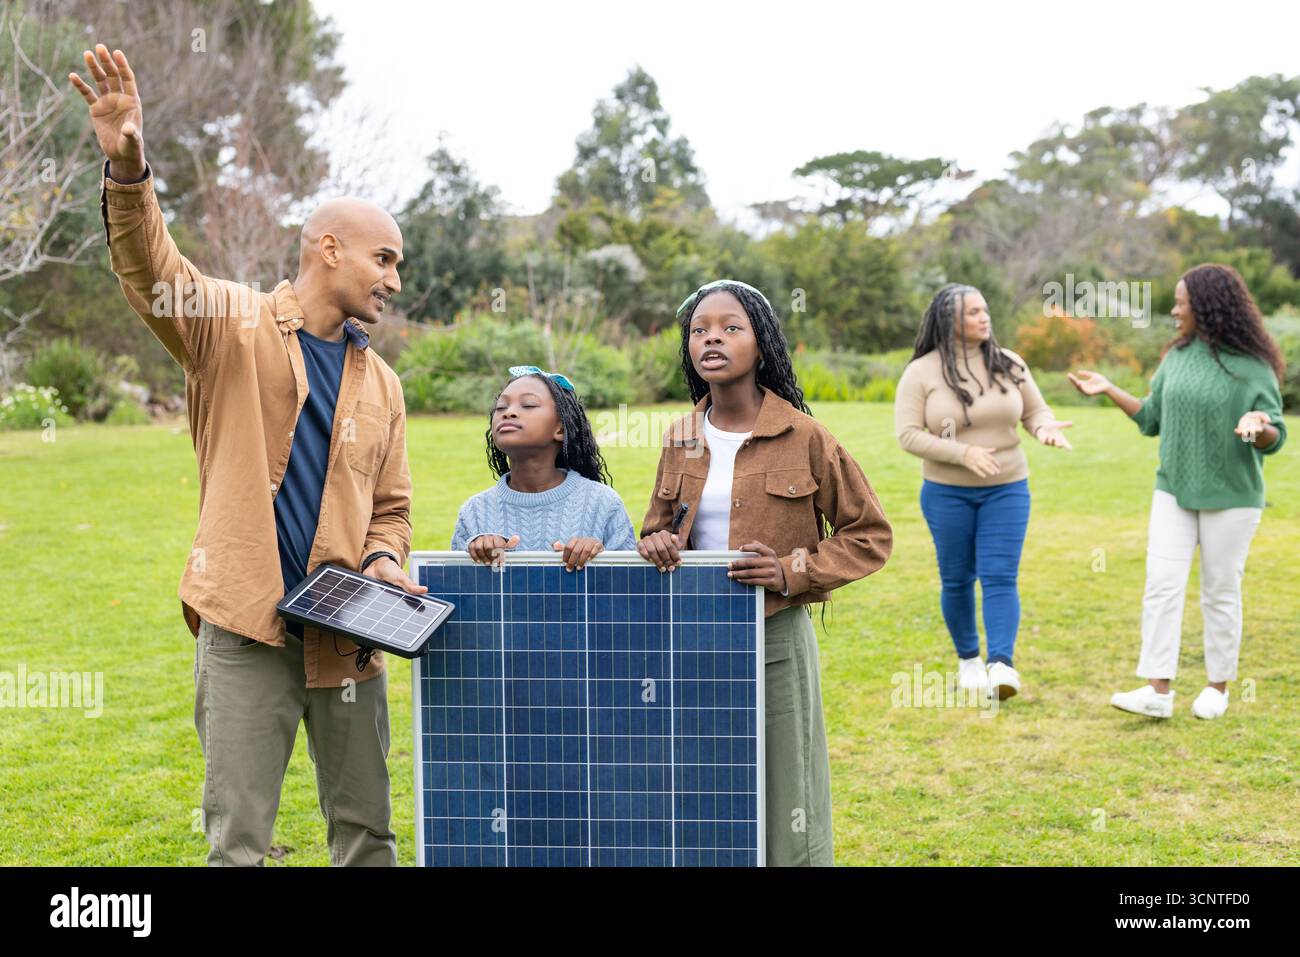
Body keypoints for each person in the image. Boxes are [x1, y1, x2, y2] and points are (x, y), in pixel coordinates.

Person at [70, 44, 426, 865]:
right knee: (237, 844)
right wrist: (129, 175)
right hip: (245, 628)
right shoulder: (227, 326)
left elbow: (394, 510)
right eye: (385, 259)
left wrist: (380, 558)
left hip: (346, 638)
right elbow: (150, 269)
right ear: (329, 248)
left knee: (368, 836)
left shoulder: (387, 387)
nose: (395, 281)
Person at [637, 279, 893, 866]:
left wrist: (789, 570)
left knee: (788, 789)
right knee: (703, 786)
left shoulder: (804, 436)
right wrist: (655, 543)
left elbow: (870, 535)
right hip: (693, 637)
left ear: (762, 343)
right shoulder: (680, 437)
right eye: (700, 330)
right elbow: (656, 527)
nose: (712, 339)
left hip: (774, 637)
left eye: (731, 328)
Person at [1069, 264, 1287, 720]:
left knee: (1220, 591)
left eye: (1181, 302)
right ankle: (1157, 690)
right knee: (1162, 586)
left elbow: (1274, 432)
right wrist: (1109, 389)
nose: (1174, 310)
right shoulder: (1176, 358)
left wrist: (1257, 426)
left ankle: (1217, 688)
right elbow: (1152, 419)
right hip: (1173, 490)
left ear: (1207, 308)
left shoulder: (1253, 367)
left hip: (1232, 495)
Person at [894, 283, 1073, 700]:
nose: (984, 317)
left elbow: (1034, 410)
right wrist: (961, 453)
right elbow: (906, 434)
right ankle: (969, 660)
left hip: (1007, 489)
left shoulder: (1008, 363)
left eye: (985, 309)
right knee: (957, 579)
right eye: (973, 312)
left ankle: (1001, 665)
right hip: (946, 493)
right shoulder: (921, 371)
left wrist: (1044, 427)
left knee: (1000, 575)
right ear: (949, 321)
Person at [452, 365, 636, 567]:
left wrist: (599, 558)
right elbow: (458, 590)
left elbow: (630, 588)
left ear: (560, 429)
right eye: (501, 407)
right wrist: (478, 554)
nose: (509, 413)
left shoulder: (604, 504)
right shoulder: (475, 512)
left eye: (528, 405)